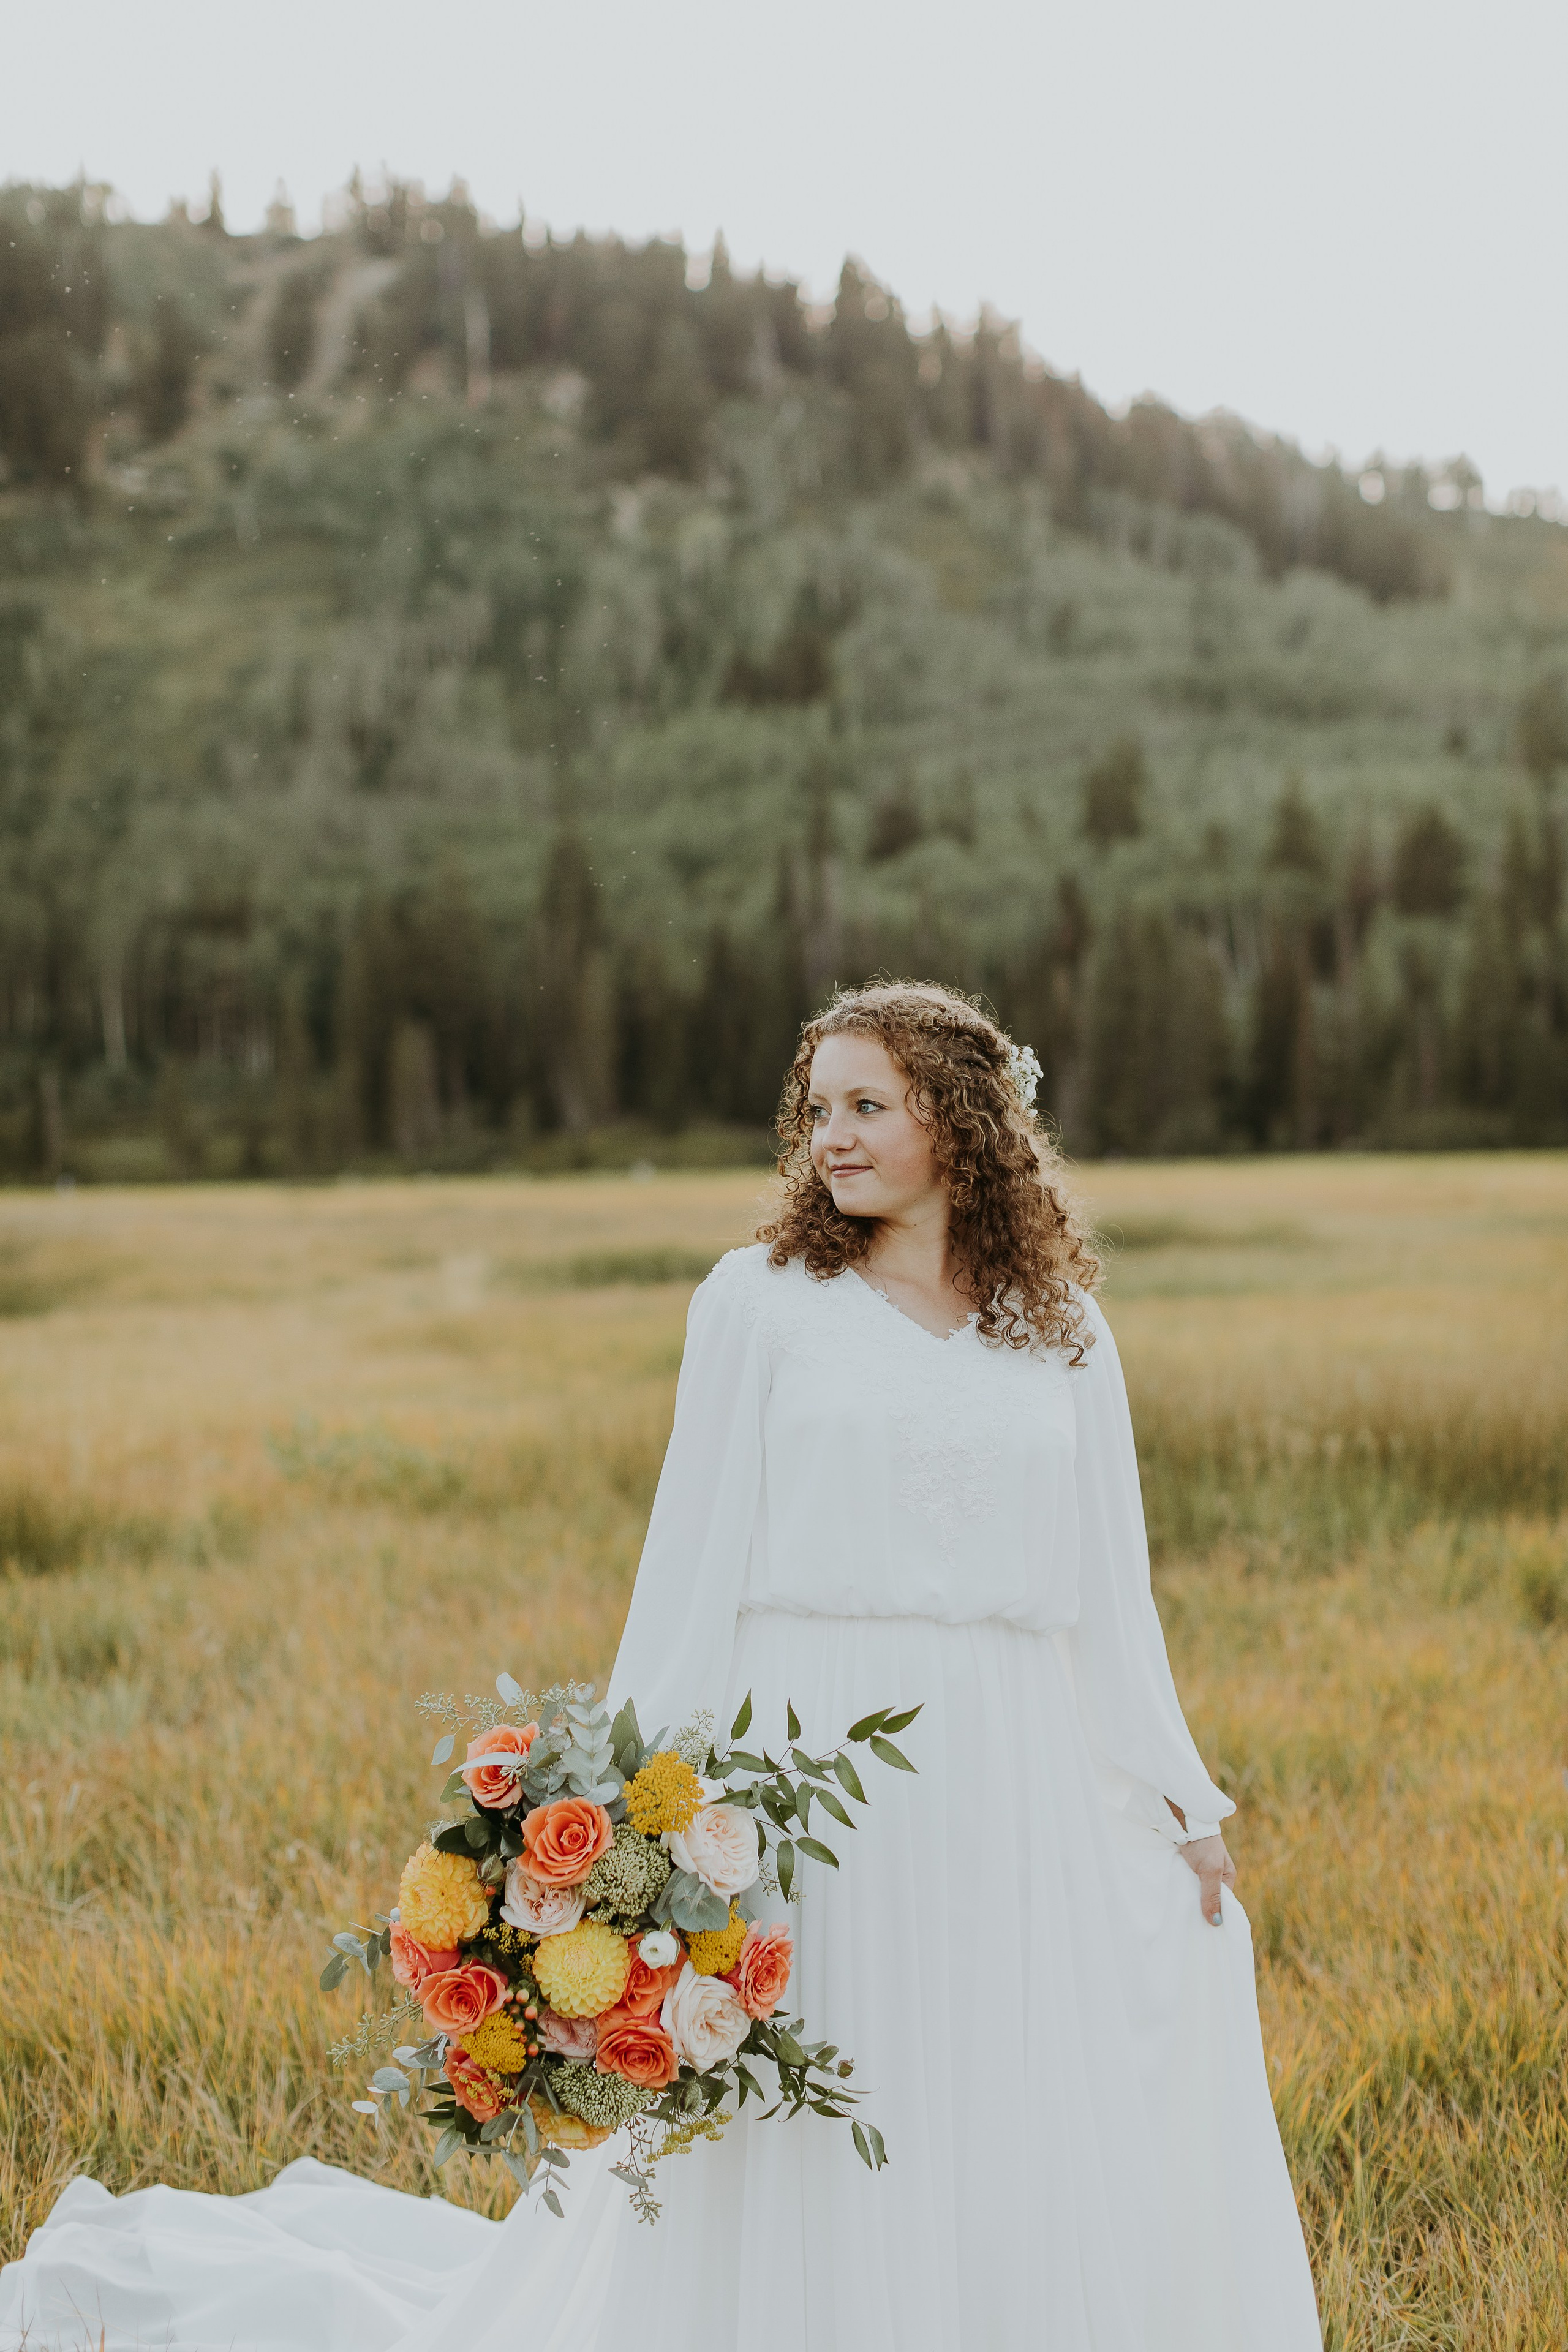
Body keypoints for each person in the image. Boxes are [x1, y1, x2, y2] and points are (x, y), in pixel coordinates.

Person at [0, 982, 1322, 2352]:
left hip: (1010, 1762)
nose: (833, 1137)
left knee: (989, 2070)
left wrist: (1182, 1799)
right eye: (819, 1109)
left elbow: (1112, 1596)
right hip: (808, 1769)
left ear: (960, 1121)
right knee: (817, 2080)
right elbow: (686, 1573)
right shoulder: (761, 1303)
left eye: (869, 1106)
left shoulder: (1062, 1329)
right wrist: (610, 1823)